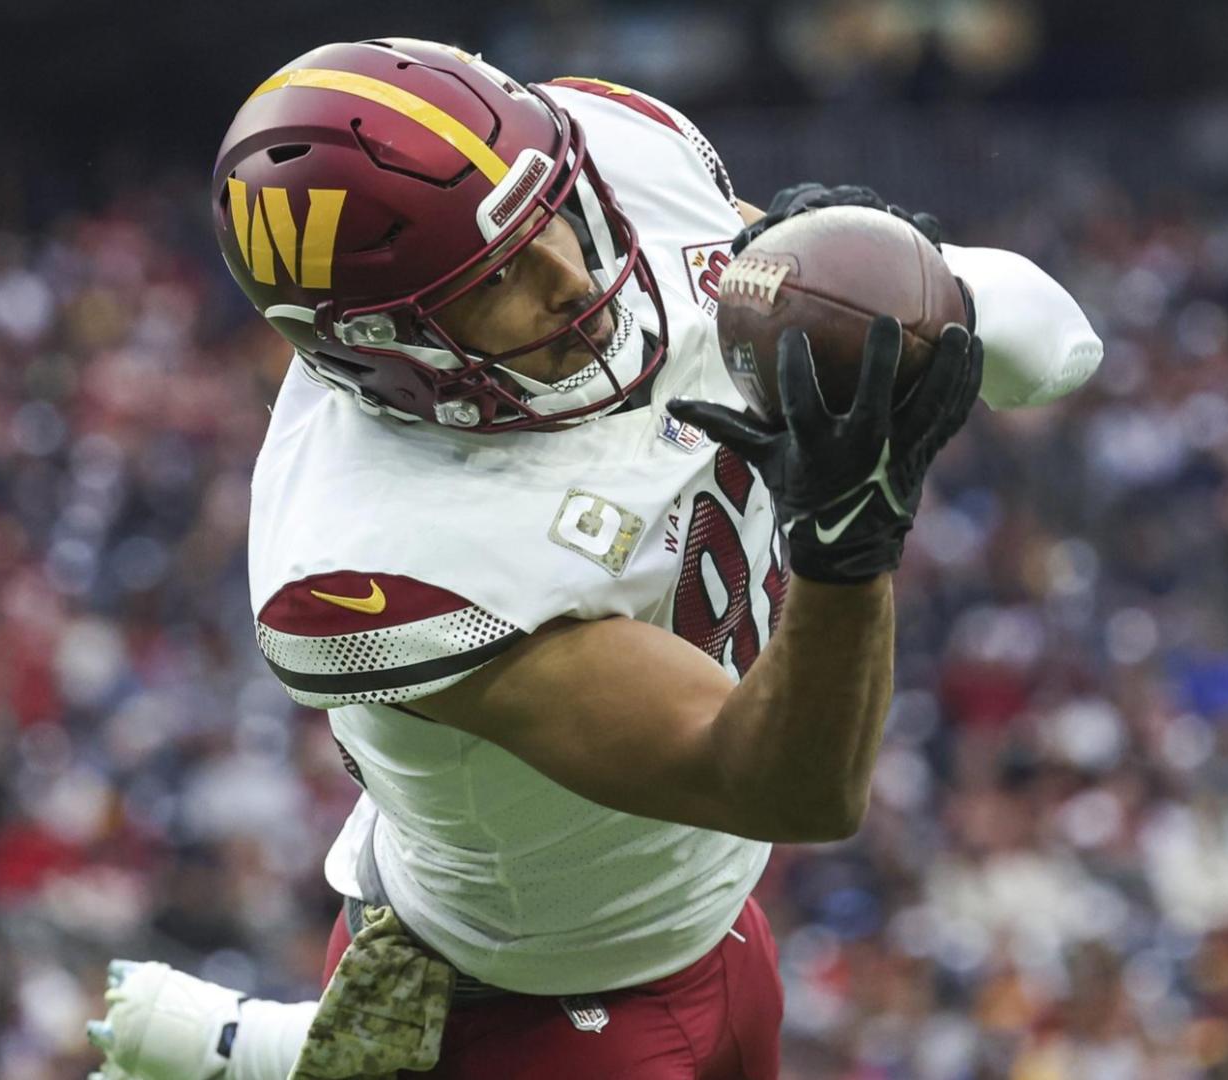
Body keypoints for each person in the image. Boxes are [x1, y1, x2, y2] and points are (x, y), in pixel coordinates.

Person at [85, 36, 1101, 1080]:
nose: (574, 278)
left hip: (703, 916)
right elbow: (795, 790)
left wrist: (909, 287)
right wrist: (849, 535)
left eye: (556, 218)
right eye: (497, 283)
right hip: (520, 1010)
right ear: (389, 353)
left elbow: (1061, 347)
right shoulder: (379, 554)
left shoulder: (625, 166)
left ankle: (265, 1052)